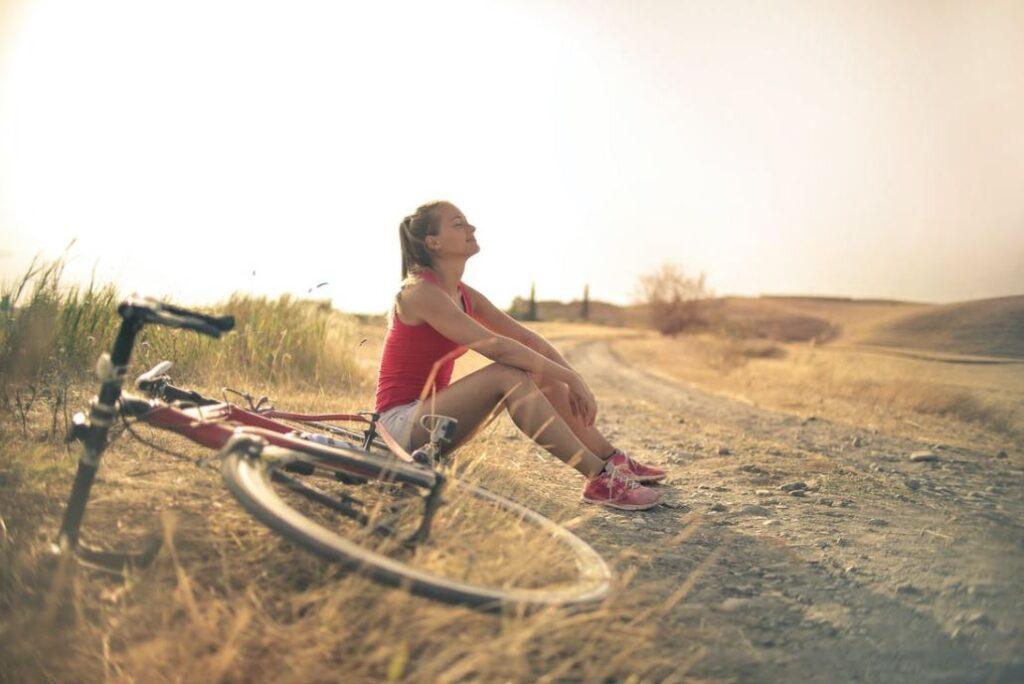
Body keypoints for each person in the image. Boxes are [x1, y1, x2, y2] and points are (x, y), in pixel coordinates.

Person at [373, 200, 665, 511]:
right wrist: (568, 377)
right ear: (434, 242)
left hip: (433, 425)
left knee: (536, 367)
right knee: (507, 373)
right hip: (397, 428)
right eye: (458, 224)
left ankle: (611, 459)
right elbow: (496, 346)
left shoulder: (463, 294)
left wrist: (572, 377)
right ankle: (599, 477)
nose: (471, 228)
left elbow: (525, 338)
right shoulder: (418, 292)